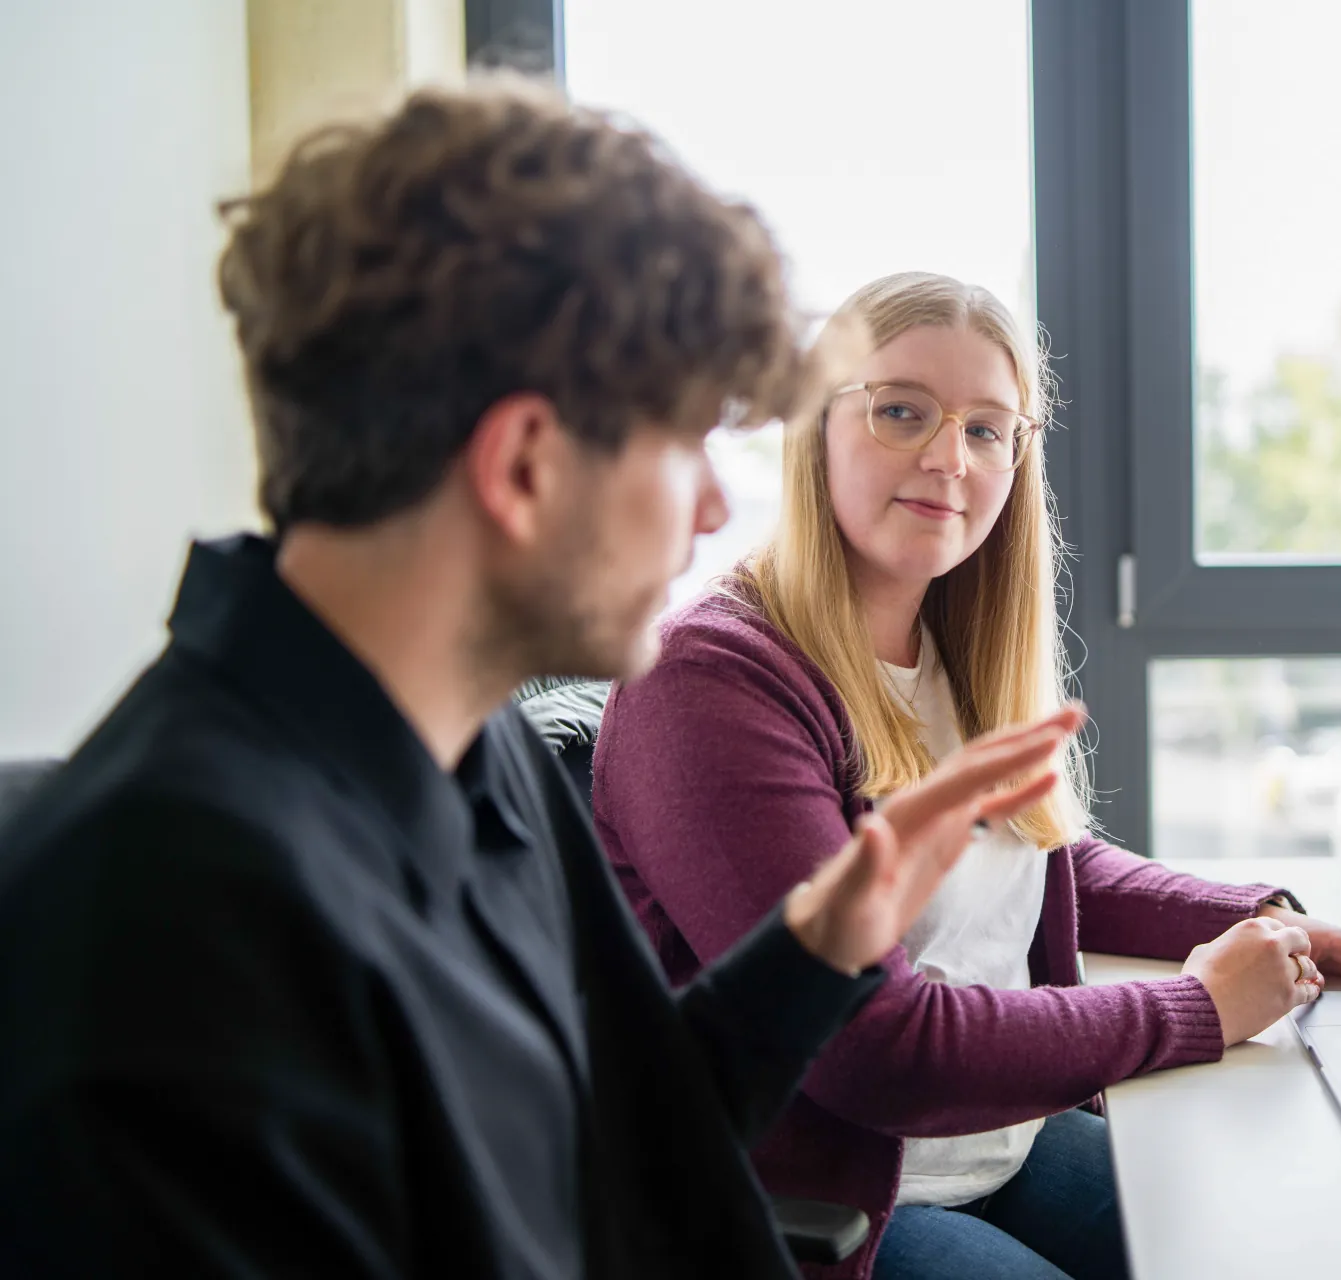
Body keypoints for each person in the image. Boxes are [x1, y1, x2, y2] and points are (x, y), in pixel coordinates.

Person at [0, 88, 1085, 1279]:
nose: (712, 509)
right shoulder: (167, 944)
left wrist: (814, 953)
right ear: (523, 465)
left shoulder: (472, 745)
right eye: (683, 443)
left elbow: (613, 1137)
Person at [591, 272, 1341, 1280]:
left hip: (998, 1141)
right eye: (902, 410)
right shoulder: (711, 681)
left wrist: (1264, 918)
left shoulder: (946, 642)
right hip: (830, 1198)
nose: (949, 458)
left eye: (987, 429)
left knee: (1281, 1244)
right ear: (813, 426)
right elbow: (868, 1045)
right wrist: (1196, 1006)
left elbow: (1041, 861)